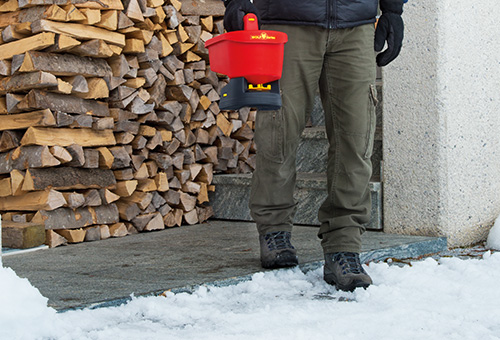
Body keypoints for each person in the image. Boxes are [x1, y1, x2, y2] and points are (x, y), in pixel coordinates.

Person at [222, 0, 405, 291]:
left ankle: (344, 246)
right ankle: (274, 230)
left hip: (355, 26)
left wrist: (393, 9)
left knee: (355, 139)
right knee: (278, 133)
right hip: (287, 20)